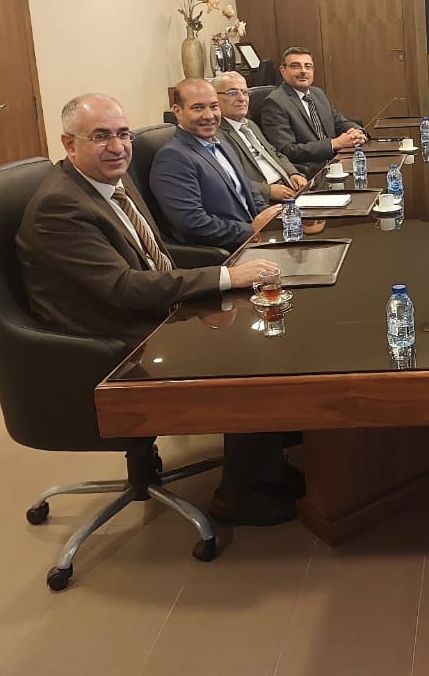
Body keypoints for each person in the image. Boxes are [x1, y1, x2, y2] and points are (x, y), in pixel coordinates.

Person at [17, 93, 299, 525]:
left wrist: (226, 274)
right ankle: (240, 495)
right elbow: (122, 287)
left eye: (123, 134)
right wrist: (224, 277)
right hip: (107, 340)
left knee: (263, 322)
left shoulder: (112, 180)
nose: (117, 147)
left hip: (148, 308)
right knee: (245, 355)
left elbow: (154, 257)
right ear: (69, 144)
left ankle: (269, 460)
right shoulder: (61, 206)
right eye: (101, 136)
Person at [150, 79, 283, 250]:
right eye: (198, 108)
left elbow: (250, 193)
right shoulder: (173, 158)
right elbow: (193, 223)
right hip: (230, 250)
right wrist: (251, 230)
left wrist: (275, 218)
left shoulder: (223, 145)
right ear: (178, 111)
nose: (209, 116)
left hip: (257, 238)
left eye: (214, 106)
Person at [260, 46, 366, 175]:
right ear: (283, 71)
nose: (303, 71)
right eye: (296, 66)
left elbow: (340, 122)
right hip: (311, 172)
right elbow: (287, 150)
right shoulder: (275, 102)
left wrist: (357, 132)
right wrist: (334, 143)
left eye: (308, 66)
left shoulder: (317, 93)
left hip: (337, 163)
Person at [212, 72, 308, 203]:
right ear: (214, 98)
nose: (242, 98)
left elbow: (275, 153)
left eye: (245, 92)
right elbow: (228, 179)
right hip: (262, 201)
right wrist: (268, 191)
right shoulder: (215, 135)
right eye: (232, 93)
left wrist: (293, 173)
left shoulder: (250, 125)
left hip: (288, 188)